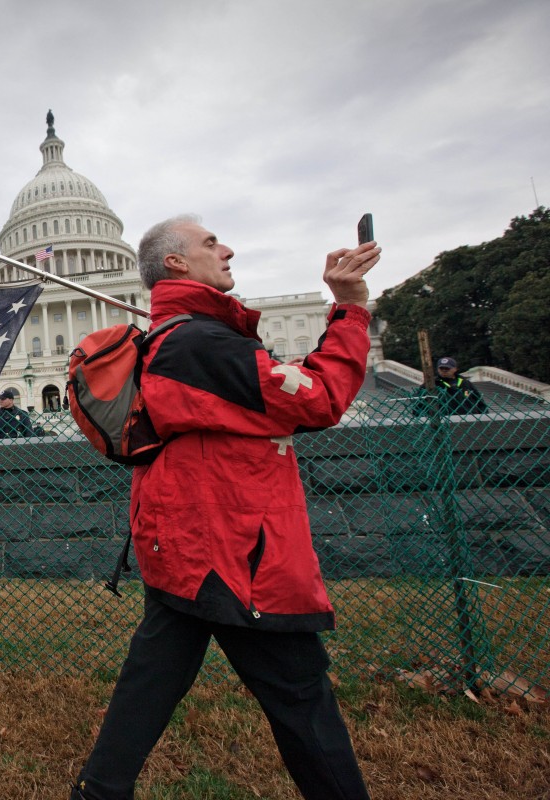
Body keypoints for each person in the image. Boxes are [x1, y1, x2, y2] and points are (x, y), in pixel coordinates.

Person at [72, 215, 380, 800]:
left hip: (188, 543)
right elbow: (320, 398)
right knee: (301, 698)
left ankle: (98, 791)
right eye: (211, 242)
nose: (228, 248)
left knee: (152, 680)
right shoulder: (197, 344)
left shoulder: (185, 340)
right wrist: (351, 310)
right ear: (176, 264)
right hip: (234, 554)